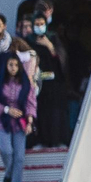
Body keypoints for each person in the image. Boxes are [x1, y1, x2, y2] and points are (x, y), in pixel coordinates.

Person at [0, 53, 37, 182]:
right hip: (3, 120)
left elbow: (31, 102)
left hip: (20, 122)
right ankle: (9, 172)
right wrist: (7, 110)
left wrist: (29, 121)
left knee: (20, 156)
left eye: (16, 65)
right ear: (6, 66)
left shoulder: (25, 83)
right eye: (11, 65)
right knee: (6, 150)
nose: (13, 68)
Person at [26, 13, 70, 147]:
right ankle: (40, 141)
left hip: (54, 84)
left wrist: (49, 46)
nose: (39, 27)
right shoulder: (29, 41)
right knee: (40, 113)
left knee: (55, 114)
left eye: (42, 24)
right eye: (37, 24)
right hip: (39, 84)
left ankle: (57, 141)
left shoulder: (53, 38)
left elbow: (62, 58)